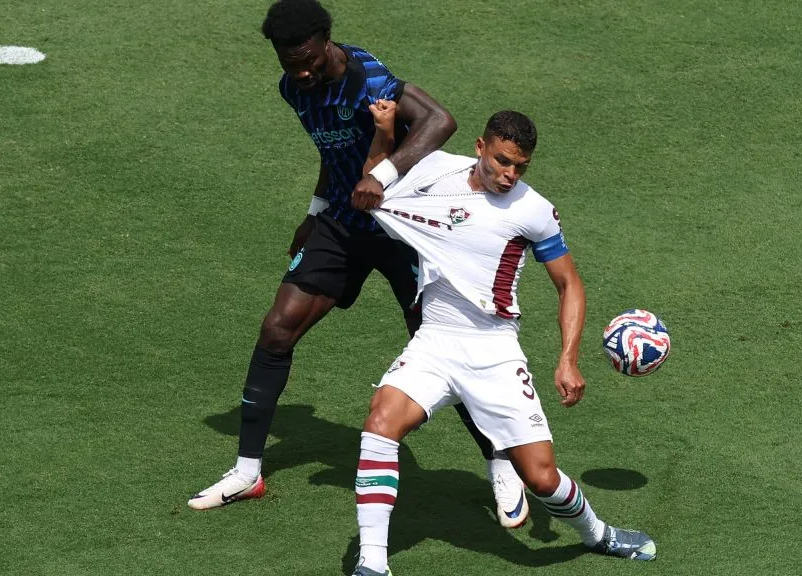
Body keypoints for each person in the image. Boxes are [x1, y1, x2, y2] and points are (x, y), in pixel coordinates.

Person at [188, 0, 529, 526]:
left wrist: (385, 176)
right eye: (288, 63)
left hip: (406, 231)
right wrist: (315, 210)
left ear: (327, 41)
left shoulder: (369, 77)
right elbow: (335, 152)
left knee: (447, 347)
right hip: (346, 223)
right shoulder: (293, 89)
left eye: (308, 60)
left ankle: (500, 463)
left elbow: (441, 120)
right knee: (277, 329)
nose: (301, 72)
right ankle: (247, 471)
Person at [348, 105, 656, 575]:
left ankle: (598, 534)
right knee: (380, 424)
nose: (510, 174)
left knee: (541, 476)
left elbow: (569, 284)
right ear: (480, 147)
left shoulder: (532, 211)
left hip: (494, 351)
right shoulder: (433, 169)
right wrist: (384, 133)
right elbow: (373, 184)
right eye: (502, 162)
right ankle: (372, 564)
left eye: (520, 167)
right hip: (435, 341)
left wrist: (568, 359)